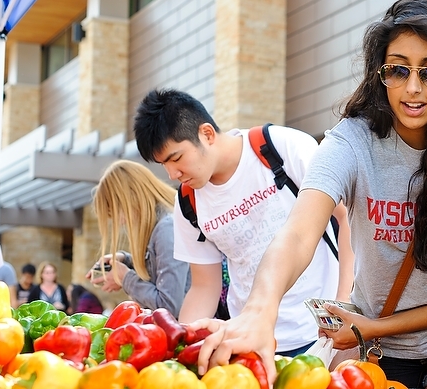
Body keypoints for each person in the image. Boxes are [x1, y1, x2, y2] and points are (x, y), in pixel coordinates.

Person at [188, 0, 427, 388]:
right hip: (382, 343)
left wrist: (375, 325)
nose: (413, 89)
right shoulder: (350, 142)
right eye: (397, 70)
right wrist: (258, 311)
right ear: (379, 73)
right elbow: (299, 233)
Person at [133, 88, 349, 356]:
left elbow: (346, 217)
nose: (172, 173)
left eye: (176, 158)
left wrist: (343, 305)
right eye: (162, 165)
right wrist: (180, 349)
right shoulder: (189, 202)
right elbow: (204, 287)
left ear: (207, 134)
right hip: (247, 341)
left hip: (321, 335)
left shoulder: (282, 148)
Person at [85, 160, 191, 318]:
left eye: (117, 213)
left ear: (130, 198)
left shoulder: (167, 229)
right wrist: (127, 261)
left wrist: (125, 277)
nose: (121, 222)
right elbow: (161, 265)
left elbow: (168, 307)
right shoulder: (163, 224)